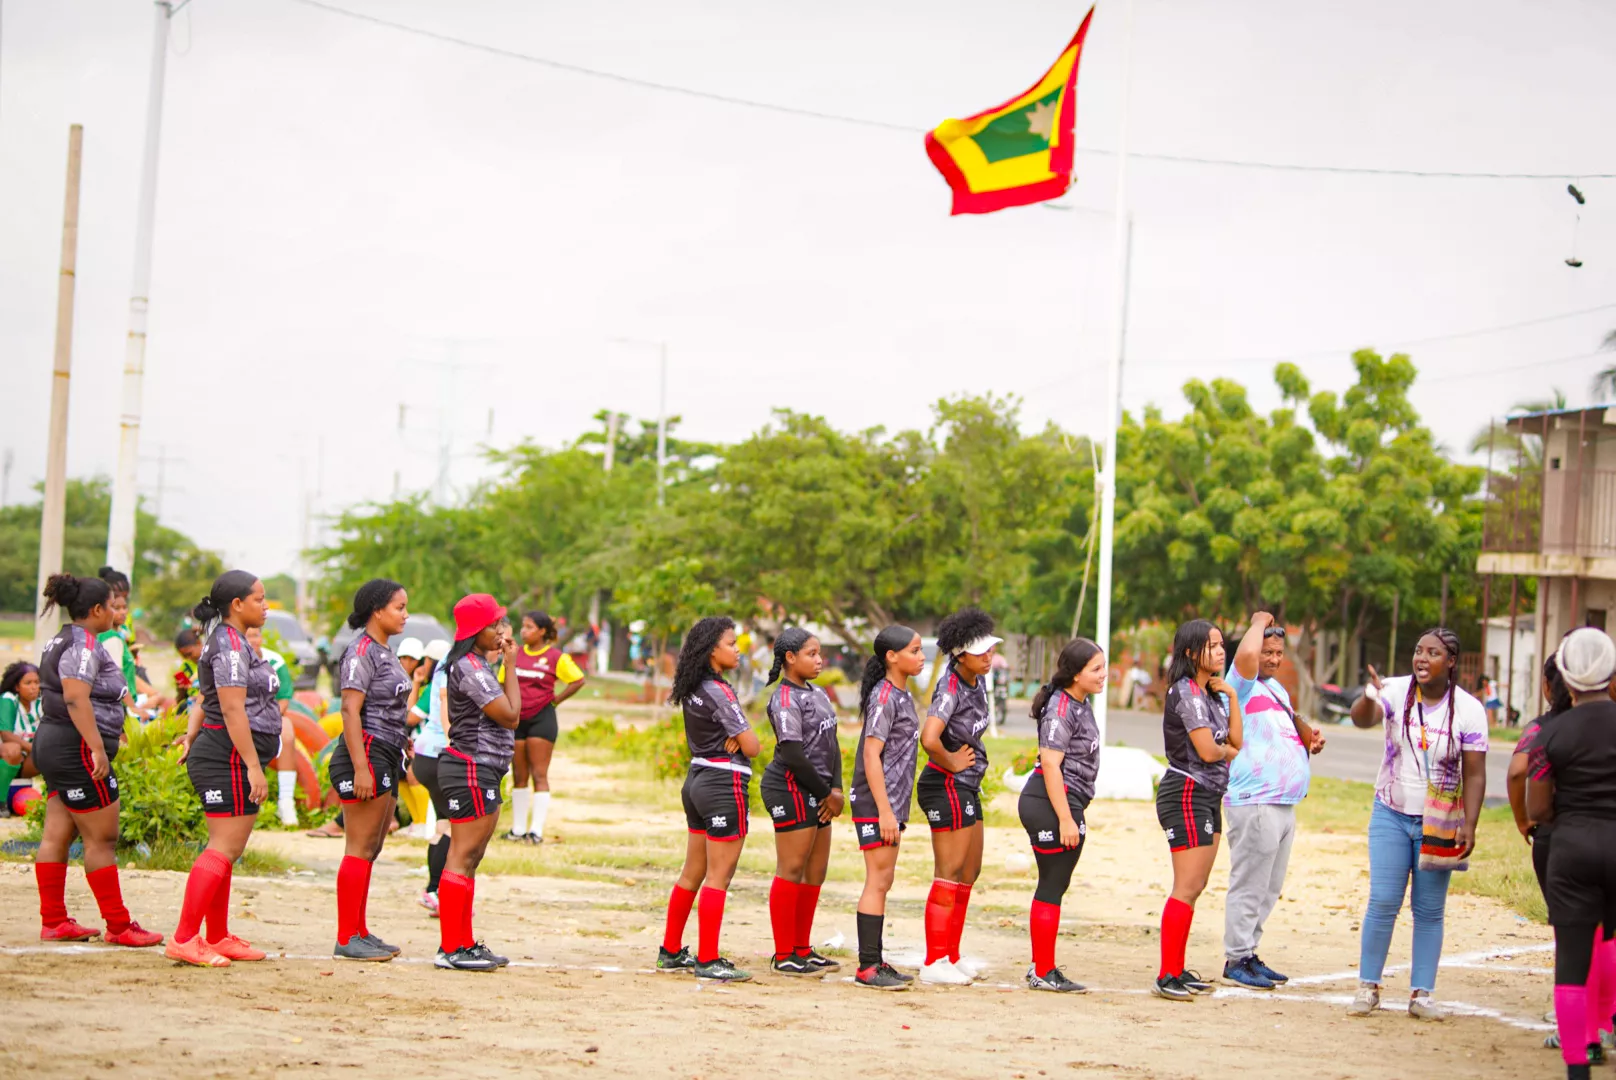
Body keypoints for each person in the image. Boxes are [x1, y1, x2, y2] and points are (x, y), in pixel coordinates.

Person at [1348, 627, 1488, 1019]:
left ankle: (1422, 995)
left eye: (1433, 653)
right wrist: (1368, 696)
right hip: (1390, 813)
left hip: (1439, 822)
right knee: (1383, 900)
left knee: (1428, 910)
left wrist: (1470, 824)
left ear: (1451, 662)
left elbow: (1475, 773)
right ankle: (1368, 987)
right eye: (1418, 650)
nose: (1422, 658)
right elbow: (1362, 719)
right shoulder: (1394, 690)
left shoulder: (1469, 709)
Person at [31, 573, 164, 947]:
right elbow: (76, 697)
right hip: (75, 746)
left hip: (54, 740)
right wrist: (97, 747)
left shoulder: (62, 638)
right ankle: (119, 925)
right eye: (110, 605)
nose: (115, 612)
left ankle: (54, 920)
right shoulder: (84, 645)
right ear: (95, 610)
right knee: (102, 839)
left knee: (56, 833)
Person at [167, 571, 281, 967]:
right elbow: (231, 708)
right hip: (226, 756)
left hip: (227, 752)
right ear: (237, 604)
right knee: (223, 847)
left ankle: (216, 936)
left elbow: (205, 696)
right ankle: (184, 938)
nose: (265, 606)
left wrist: (190, 734)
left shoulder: (233, 641)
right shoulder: (230, 645)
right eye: (259, 599)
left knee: (228, 850)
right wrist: (252, 766)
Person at [1527, 628, 1616, 1079]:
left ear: (1563, 674)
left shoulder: (1550, 733)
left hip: (1572, 849)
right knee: (1612, 943)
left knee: (1572, 964)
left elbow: (1538, 808)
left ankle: (1578, 1069)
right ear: (1611, 673)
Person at [1220, 614, 1326, 989]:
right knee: (1249, 883)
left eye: (1279, 653)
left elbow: (1289, 725)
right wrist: (1258, 621)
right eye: (1268, 652)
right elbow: (1246, 657)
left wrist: (1309, 739)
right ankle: (1236, 957)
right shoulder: (1238, 684)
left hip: (1282, 802)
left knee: (1268, 887)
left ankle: (1249, 952)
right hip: (1254, 800)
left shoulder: (1276, 688)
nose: (1274, 659)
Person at [656, 616, 760, 982]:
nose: (737, 649)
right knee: (718, 876)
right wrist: (741, 739)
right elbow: (753, 746)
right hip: (722, 783)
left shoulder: (696, 686)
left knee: (693, 872)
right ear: (712, 650)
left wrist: (737, 738)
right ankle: (709, 958)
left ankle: (670, 951)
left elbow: (737, 738)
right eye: (731, 643)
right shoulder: (718, 690)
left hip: (697, 780)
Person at [1151, 619, 1243, 1002]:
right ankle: (1166, 974)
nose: (1221, 652)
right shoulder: (1186, 691)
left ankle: (1177, 968)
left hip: (1209, 794)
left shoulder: (1212, 694)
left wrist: (1232, 696)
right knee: (1186, 886)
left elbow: (1237, 742)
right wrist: (1224, 751)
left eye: (1222, 645)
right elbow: (1209, 751)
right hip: (1186, 791)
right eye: (1212, 646)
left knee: (1196, 886)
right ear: (1191, 653)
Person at [435, 594, 523, 971]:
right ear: (475, 630)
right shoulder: (470, 668)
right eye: (494, 625)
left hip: (484, 768)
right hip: (470, 767)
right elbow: (511, 715)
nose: (501, 631)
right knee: (462, 855)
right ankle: (450, 948)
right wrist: (511, 666)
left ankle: (464, 943)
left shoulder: (479, 665)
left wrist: (503, 665)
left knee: (471, 858)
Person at [327, 578, 413, 962]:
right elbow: (350, 709)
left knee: (372, 848)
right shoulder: (360, 651)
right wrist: (361, 767)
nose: (405, 615)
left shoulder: (385, 650)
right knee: (359, 847)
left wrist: (403, 742)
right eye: (399, 607)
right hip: (365, 752)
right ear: (377, 611)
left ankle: (359, 930)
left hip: (388, 752)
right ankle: (347, 936)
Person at [916, 607, 1001, 985]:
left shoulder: (976, 681)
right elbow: (929, 738)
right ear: (960, 655)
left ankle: (951, 954)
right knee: (948, 873)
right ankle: (934, 961)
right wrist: (951, 761)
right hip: (945, 784)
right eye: (981, 651)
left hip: (967, 784)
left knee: (969, 871)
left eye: (990, 649)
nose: (989, 656)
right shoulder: (950, 687)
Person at [1018, 636, 1107, 993]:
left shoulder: (1081, 702)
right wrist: (1066, 818)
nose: (1104, 674)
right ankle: (1043, 970)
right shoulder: (1060, 707)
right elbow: (1051, 765)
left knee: (1056, 883)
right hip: (1050, 802)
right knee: (1052, 884)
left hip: (1065, 801)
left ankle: (1041, 965)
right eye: (1096, 669)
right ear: (1075, 673)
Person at [760, 628, 843, 976]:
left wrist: (836, 789)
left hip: (820, 790)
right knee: (791, 868)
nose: (819, 660)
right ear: (790, 658)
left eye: (819, 653)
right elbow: (793, 753)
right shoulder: (784, 699)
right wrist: (825, 794)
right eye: (811, 654)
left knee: (816, 870)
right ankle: (784, 955)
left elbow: (832, 743)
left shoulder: (818, 693)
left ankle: (802, 948)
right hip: (790, 787)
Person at [848, 625, 925, 990]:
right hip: (876, 801)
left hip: (890, 802)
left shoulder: (901, 693)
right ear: (891, 657)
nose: (921, 657)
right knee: (877, 880)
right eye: (914, 651)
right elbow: (870, 754)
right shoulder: (884, 696)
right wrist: (884, 811)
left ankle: (876, 959)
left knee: (884, 879)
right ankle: (867, 966)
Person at [1509, 655, 1576, 1050]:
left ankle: (1572, 1017)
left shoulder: (1541, 728)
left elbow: (1518, 771)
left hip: (1555, 836)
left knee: (1570, 930)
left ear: (1548, 686)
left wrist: (1523, 819)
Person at [506, 611, 586, 844]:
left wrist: (556, 700)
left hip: (542, 719)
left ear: (542, 631)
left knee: (539, 774)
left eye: (529, 627)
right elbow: (503, 681)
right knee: (519, 775)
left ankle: (536, 831)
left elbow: (578, 680)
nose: (524, 631)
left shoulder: (555, 657)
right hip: (517, 719)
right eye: (523, 626)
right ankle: (518, 830)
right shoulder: (515, 654)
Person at [411, 638, 453, 914]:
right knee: (452, 827)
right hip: (440, 754)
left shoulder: (436, 678)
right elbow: (412, 716)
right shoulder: (451, 675)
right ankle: (436, 890)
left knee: (442, 825)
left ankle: (432, 890)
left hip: (425, 754)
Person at [245, 624, 300, 825]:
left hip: (270, 714)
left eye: (256, 635)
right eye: (248, 636)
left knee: (287, 731)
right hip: (242, 717)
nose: (253, 640)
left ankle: (285, 800)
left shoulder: (275, 661)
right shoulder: (234, 660)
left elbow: (284, 697)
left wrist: (269, 717)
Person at [0, 661, 42, 807]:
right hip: (7, 754)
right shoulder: (8, 700)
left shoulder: (40, 703)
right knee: (13, 749)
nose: (34, 687)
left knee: (52, 752)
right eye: (28, 683)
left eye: (37, 682)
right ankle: (1, 802)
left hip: (25, 758)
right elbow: (6, 735)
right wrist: (33, 749)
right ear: (17, 687)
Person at [172, 629, 202, 711]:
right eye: (184, 656)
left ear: (199, 643)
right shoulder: (185, 667)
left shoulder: (212, 661)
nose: (188, 658)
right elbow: (180, 700)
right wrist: (181, 691)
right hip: (191, 705)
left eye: (189, 654)